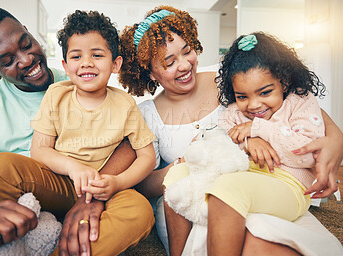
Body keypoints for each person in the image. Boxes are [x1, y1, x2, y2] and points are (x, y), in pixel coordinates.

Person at [118, 5, 343, 256]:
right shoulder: (147, 112)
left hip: (259, 179)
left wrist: (336, 138)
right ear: (148, 71)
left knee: (258, 234)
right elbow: (143, 183)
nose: (184, 65)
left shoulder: (228, 78)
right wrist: (187, 162)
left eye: (187, 51)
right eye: (169, 62)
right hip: (197, 192)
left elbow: (295, 106)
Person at [0, 5, 154, 256]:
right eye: (8, 60)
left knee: (139, 210)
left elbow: (134, 146)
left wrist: (95, 195)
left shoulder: (90, 88)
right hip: (36, 188)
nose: (26, 59)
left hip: (98, 186)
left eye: (26, 43)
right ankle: (21, 236)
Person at [207, 32, 325, 255]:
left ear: (284, 80)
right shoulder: (232, 113)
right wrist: (248, 143)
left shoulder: (300, 102)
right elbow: (217, 145)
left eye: (265, 92)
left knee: (226, 189)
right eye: (242, 96)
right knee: (183, 174)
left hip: (290, 186)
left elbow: (309, 154)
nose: (253, 105)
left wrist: (258, 129)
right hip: (251, 180)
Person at [30, 10, 156, 206]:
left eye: (97, 55)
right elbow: (39, 150)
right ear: (65, 65)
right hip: (59, 182)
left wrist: (117, 182)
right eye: (76, 57)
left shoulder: (125, 104)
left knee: (138, 209)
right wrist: (72, 167)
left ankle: (96, 231)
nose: (86, 63)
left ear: (115, 64)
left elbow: (147, 156)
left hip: (105, 187)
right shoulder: (56, 94)